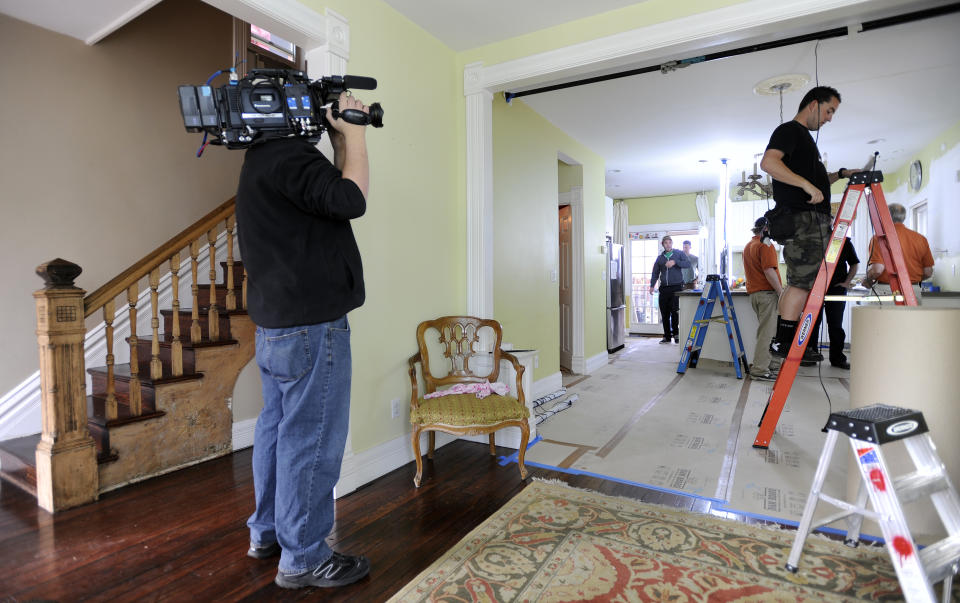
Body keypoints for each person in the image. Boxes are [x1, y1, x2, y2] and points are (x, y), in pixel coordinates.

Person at [235, 92, 373, 590]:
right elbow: (351, 199)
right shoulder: (291, 156)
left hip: (277, 327)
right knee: (312, 439)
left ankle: (268, 532)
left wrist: (339, 141)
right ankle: (305, 557)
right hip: (313, 327)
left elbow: (330, 197)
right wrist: (356, 134)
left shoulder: (263, 161)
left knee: (277, 431)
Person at [759, 86, 855, 359]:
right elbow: (769, 162)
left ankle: (790, 341)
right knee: (801, 283)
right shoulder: (790, 130)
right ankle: (784, 342)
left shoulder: (804, 141)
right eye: (829, 110)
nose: (829, 118)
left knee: (804, 282)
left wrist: (842, 174)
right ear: (813, 104)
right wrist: (806, 186)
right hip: (803, 219)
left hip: (811, 219)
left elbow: (818, 181)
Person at [862, 203, 933, 303]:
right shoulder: (921, 239)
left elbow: (877, 270)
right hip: (913, 291)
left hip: (886, 291)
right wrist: (910, 280)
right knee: (910, 319)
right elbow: (928, 272)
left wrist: (866, 280)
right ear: (903, 217)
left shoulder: (880, 238)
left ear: (885, 215)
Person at [807, 236, 859, 369]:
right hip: (815, 288)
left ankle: (837, 358)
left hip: (837, 289)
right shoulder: (813, 238)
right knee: (812, 323)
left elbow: (854, 263)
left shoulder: (844, 242)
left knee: (835, 325)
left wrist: (846, 283)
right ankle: (810, 355)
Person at [743, 218, 783, 381]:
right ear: (766, 228)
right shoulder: (765, 244)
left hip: (756, 295)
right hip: (767, 295)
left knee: (771, 332)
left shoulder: (749, 245)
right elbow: (768, 271)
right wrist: (782, 293)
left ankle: (772, 365)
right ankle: (759, 369)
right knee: (767, 333)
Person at [649, 235, 691, 343]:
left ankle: (676, 334)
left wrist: (675, 262)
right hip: (664, 288)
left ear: (672, 243)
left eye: (669, 242)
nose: (668, 245)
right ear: (662, 244)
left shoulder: (678, 254)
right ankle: (667, 336)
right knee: (664, 313)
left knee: (675, 311)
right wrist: (652, 285)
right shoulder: (660, 258)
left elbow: (688, 264)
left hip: (676, 287)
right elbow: (655, 273)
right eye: (665, 243)